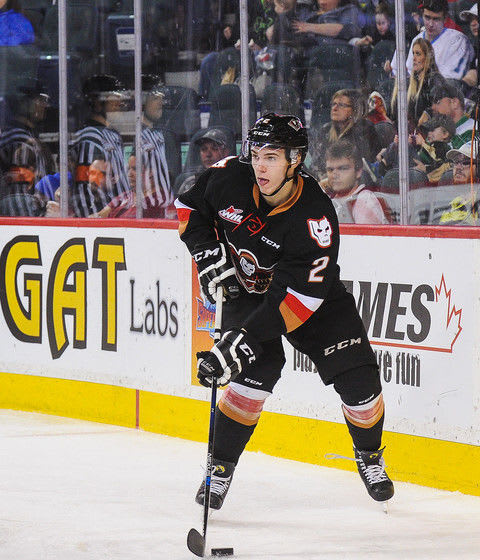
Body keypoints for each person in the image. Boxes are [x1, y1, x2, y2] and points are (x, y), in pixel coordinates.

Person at [175, 113, 394, 511]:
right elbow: (189, 209)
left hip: (314, 299)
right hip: (248, 290)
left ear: (294, 160)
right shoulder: (228, 176)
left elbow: (296, 302)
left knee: (361, 385)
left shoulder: (315, 217)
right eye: (256, 153)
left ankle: (369, 454)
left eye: (272, 157)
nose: (260, 165)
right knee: (248, 380)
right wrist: (207, 256)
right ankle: (219, 469)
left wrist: (241, 340)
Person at [70, 74, 130, 217]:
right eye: (114, 97)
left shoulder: (113, 135)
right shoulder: (89, 137)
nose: (120, 101)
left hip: (118, 217)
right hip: (101, 222)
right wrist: (94, 222)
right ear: (97, 103)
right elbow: (87, 189)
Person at [388, 0, 473, 81]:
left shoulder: (458, 41)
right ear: (422, 15)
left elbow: (452, 82)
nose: (431, 24)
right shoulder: (417, 39)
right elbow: (410, 74)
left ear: (445, 18)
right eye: (427, 17)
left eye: (436, 19)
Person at [310, 88, 382, 176]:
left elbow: (363, 165)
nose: (335, 108)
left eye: (341, 105)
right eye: (334, 104)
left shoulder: (364, 130)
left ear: (354, 110)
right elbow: (316, 166)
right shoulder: (325, 131)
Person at [0, 79, 53, 185]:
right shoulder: (18, 139)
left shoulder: (28, 136)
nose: (44, 106)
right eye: (40, 100)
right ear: (24, 102)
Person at [322, 139, 389, 223]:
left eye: (342, 168)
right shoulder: (327, 198)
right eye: (330, 170)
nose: (334, 175)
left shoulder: (364, 200)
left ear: (358, 172)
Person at [390, 37, 447, 129]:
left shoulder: (435, 80)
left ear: (427, 57)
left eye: (418, 54)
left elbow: (441, 107)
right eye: (413, 54)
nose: (414, 58)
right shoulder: (410, 83)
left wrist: (427, 114)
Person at [174, 126, 236, 195]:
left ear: (226, 152)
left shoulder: (235, 180)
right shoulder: (189, 182)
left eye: (214, 148)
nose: (208, 154)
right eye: (204, 149)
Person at [429, 83, 475, 149]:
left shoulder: (473, 129)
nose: (433, 107)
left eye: (438, 102)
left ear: (454, 103)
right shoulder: (440, 133)